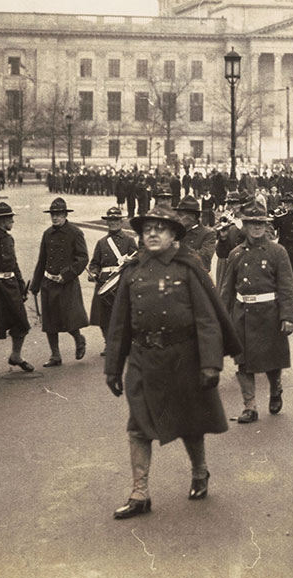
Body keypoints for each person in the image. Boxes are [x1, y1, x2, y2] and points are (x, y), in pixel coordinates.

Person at [103, 206, 242, 519]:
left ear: (173, 235)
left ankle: (199, 471)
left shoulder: (188, 267)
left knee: (190, 423)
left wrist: (210, 365)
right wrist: (113, 366)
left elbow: (208, 319)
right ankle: (140, 493)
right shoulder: (133, 270)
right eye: (147, 229)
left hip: (183, 357)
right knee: (138, 426)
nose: (152, 234)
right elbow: (119, 324)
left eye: (159, 229)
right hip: (143, 359)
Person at [220, 202, 293, 424]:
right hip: (242, 315)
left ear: (266, 225)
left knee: (272, 361)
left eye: (261, 223)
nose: (257, 228)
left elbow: (286, 287)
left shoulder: (277, 252)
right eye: (252, 223)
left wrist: (287, 317)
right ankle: (250, 406)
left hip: (270, 315)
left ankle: (275, 388)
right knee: (243, 362)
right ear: (244, 225)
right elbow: (226, 291)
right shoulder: (236, 254)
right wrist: (222, 320)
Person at [30, 197, 89, 366]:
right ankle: (55, 355)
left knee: (69, 318)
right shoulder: (47, 234)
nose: (55, 217)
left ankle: (79, 340)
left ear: (65, 215)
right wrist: (35, 285)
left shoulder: (75, 233)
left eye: (59, 214)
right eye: (53, 214)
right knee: (50, 322)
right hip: (48, 283)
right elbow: (42, 260)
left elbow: (83, 258)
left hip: (66, 283)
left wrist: (67, 274)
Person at [0, 202, 33, 372]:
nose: (13, 221)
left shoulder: (9, 238)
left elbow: (14, 263)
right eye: (10, 218)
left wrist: (20, 284)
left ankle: (16, 356)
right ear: (2, 220)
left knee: (21, 323)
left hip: (10, 286)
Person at [88, 206, 138, 351]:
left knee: (123, 314)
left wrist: (130, 263)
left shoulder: (129, 240)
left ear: (121, 222)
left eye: (116, 220)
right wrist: (94, 273)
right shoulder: (101, 242)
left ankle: (124, 342)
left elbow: (137, 259)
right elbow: (95, 263)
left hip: (121, 280)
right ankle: (108, 343)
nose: (113, 223)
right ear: (107, 222)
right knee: (102, 316)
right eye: (110, 220)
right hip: (104, 282)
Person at [176, 196, 217, 274]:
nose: (177, 218)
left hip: (197, 278)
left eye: (181, 215)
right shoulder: (175, 231)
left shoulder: (208, 233)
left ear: (192, 217)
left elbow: (204, 259)